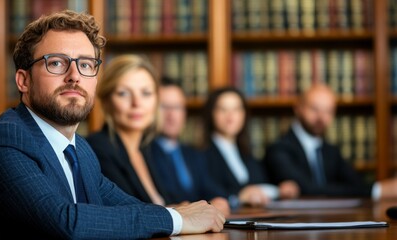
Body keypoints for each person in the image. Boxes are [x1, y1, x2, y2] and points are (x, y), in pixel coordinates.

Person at [0, 11, 224, 239]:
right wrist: (177, 219)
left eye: (86, 64)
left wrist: (187, 213)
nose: (74, 76)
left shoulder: (81, 151)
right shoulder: (4, 142)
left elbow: (129, 208)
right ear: (23, 81)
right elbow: (67, 222)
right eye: (56, 62)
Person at [86, 55, 229, 214]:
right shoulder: (98, 148)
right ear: (106, 101)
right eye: (124, 93)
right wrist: (178, 212)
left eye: (146, 93)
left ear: (155, 100)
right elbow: (126, 214)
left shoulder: (145, 150)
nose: (137, 103)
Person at [264, 83, 397, 199]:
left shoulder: (330, 150)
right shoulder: (279, 149)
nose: (322, 118)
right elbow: (308, 189)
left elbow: (356, 183)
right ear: (298, 108)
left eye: (328, 111)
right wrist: (378, 190)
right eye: (314, 109)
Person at [202, 87, 300, 207]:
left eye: (236, 109)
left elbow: (259, 185)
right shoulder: (201, 155)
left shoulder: (246, 153)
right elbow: (206, 194)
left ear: (244, 114)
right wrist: (237, 197)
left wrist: (279, 190)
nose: (230, 116)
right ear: (211, 114)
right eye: (223, 109)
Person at [152, 77, 231, 213]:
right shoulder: (144, 153)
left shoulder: (193, 154)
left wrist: (218, 201)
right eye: (164, 107)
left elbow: (215, 192)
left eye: (177, 107)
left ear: (184, 113)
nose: (171, 115)